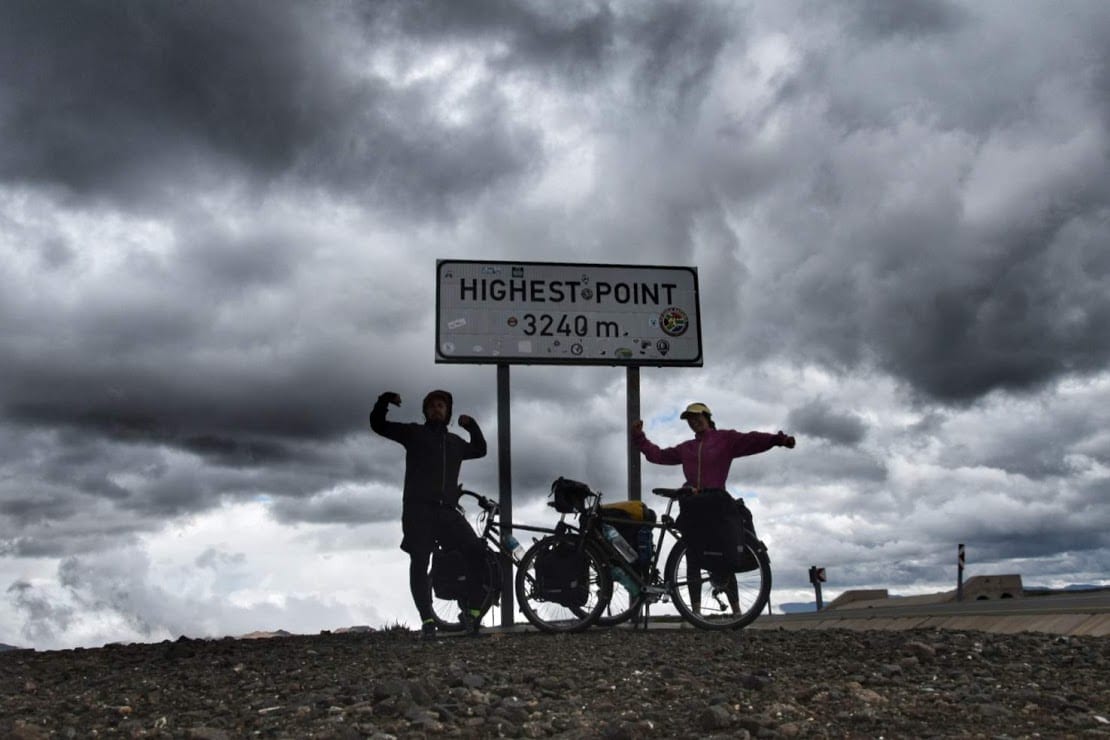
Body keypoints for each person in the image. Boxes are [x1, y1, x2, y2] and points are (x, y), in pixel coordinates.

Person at [632, 402, 795, 613]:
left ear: (708, 417)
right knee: (692, 554)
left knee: (722, 556)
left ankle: (737, 612)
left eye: (696, 416)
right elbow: (659, 455)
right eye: (689, 419)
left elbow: (753, 440)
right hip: (692, 504)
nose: (693, 421)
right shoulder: (686, 448)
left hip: (716, 502)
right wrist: (639, 437)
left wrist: (778, 440)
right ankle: (695, 613)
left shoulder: (725, 439)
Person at [370, 389, 488, 638]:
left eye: (441, 406)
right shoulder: (414, 433)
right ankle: (427, 621)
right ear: (426, 411)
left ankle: (473, 615)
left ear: (447, 413)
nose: (437, 409)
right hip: (418, 510)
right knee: (420, 561)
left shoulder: (455, 443)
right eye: (432, 405)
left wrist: (472, 425)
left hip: (447, 512)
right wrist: (384, 401)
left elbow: (480, 449)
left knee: (476, 553)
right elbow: (378, 425)